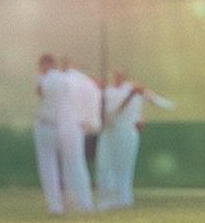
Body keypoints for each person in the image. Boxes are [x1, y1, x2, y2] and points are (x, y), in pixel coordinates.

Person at [96, 70, 174, 210]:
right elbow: (112, 114)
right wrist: (130, 96)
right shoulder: (108, 92)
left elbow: (155, 101)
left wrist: (143, 102)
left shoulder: (133, 89)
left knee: (125, 166)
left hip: (128, 132)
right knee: (106, 166)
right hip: (110, 132)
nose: (118, 78)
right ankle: (107, 200)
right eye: (115, 75)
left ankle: (124, 199)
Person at [58, 58, 100, 212]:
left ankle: (82, 201)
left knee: (73, 163)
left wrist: (87, 120)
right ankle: (77, 200)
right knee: (73, 163)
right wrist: (90, 121)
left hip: (69, 124)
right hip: (77, 125)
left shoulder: (68, 80)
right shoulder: (87, 82)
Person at [34, 53, 71, 214]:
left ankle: (55, 205)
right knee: (69, 166)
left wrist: (41, 77)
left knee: (48, 167)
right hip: (65, 126)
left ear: (45, 65)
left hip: (46, 124)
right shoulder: (65, 78)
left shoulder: (44, 78)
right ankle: (73, 202)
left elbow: (40, 93)